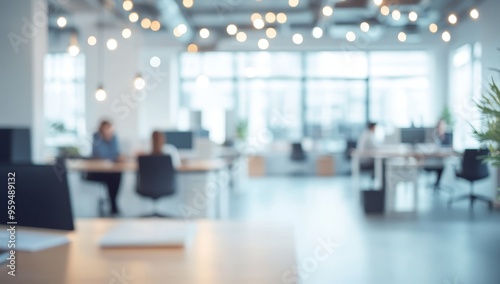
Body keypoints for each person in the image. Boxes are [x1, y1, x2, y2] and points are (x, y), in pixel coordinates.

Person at [90, 120, 123, 215]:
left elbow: (116, 153)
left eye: (110, 129)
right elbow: (101, 154)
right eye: (105, 130)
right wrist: (104, 138)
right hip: (97, 171)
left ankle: (113, 201)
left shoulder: (114, 137)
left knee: (118, 174)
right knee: (112, 177)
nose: (108, 132)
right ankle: (113, 203)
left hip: (111, 171)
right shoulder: (97, 138)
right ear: (101, 130)